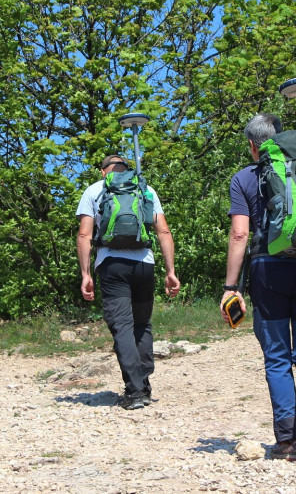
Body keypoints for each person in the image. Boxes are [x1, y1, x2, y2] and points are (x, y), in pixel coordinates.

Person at [221, 113, 296, 460]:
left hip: (268, 271)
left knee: (277, 358)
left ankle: (290, 440)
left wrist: (231, 286)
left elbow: (240, 234)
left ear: (252, 145)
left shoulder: (244, 178)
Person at [76, 153, 181, 410]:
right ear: (126, 169)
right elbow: (164, 231)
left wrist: (86, 274)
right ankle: (142, 383)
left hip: (113, 265)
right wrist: (171, 271)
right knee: (142, 324)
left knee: (122, 326)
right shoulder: (145, 190)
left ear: (104, 172)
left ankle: (135, 392)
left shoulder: (94, 191)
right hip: (144, 263)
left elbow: (84, 235)